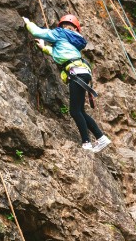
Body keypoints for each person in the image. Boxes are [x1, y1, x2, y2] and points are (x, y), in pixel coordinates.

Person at [24, 13, 111, 152]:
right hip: (82, 72)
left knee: (74, 111)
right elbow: (60, 53)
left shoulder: (60, 33)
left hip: (76, 73)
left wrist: (27, 22)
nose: (65, 28)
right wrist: (44, 47)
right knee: (80, 110)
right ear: (75, 29)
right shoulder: (74, 40)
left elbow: (36, 32)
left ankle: (86, 143)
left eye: (65, 26)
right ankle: (101, 138)